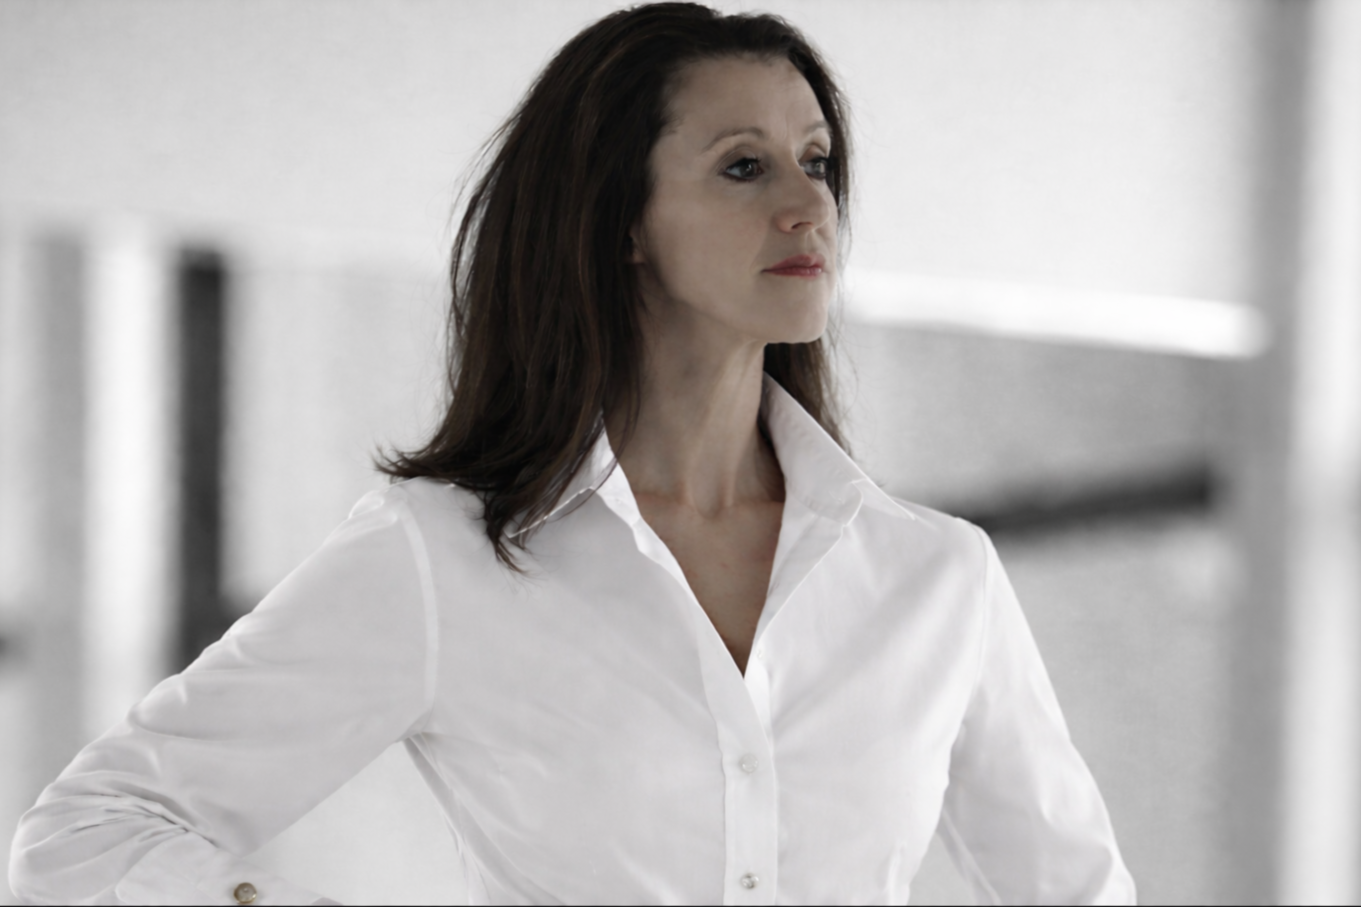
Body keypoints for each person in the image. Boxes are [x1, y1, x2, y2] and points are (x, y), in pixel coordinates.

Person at [9, 4, 1135, 904]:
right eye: (745, 168)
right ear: (619, 220)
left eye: (817, 161)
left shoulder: (936, 580)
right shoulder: (445, 557)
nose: (809, 209)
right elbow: (82, 841)